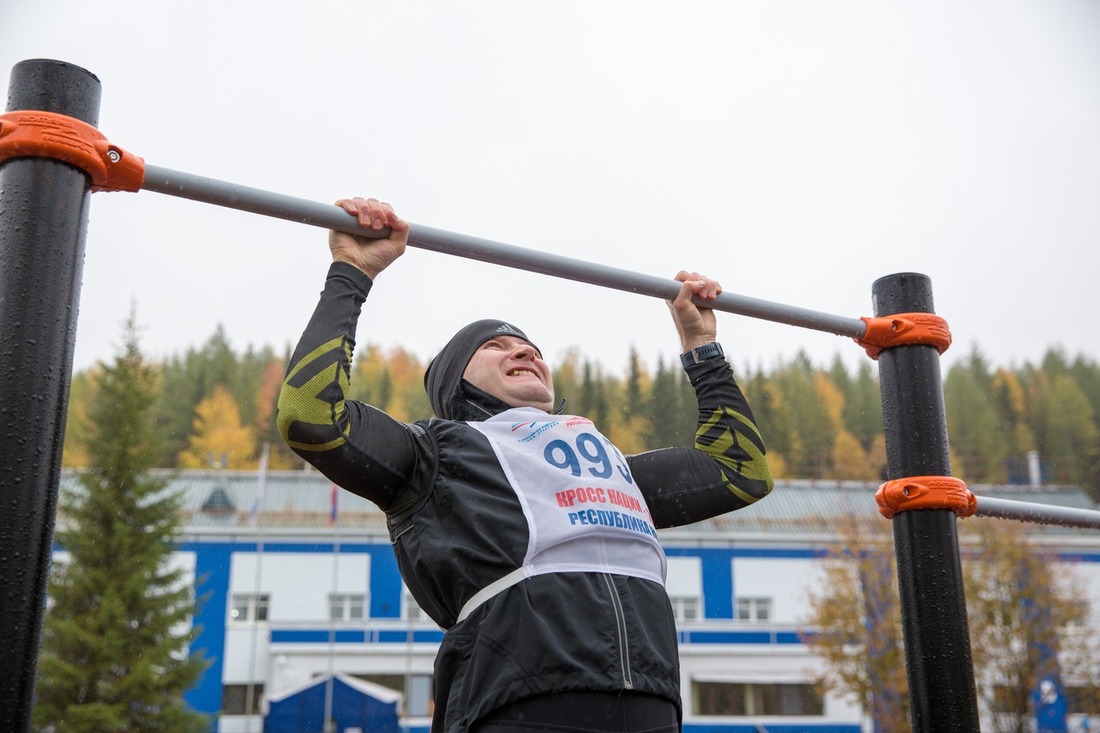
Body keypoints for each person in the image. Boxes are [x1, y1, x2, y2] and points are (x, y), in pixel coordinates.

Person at [277, 197, 774, 733]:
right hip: (517, 706)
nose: (524, 352)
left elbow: (741, 472)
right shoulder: (435, 456)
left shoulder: (608, 468)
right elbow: (310, 418)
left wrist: (701, 348)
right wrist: (353, 272)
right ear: (455, 383)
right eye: (496, 346)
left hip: (651, 707)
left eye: (531, 347)